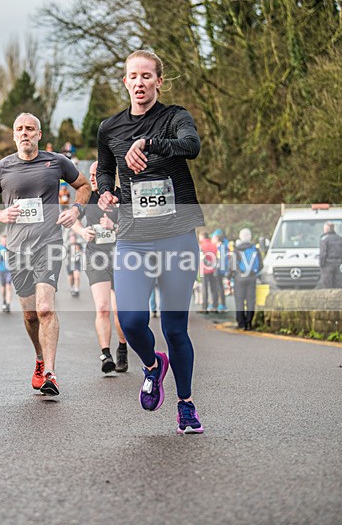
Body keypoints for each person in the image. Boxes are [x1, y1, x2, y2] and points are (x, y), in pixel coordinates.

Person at [96, 49, 205, 434]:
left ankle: (186, 405)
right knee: (130, 319)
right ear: (124, 81)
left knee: (176, 329)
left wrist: (149, 143)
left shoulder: (176, 117)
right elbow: (106, 169)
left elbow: (191, 146)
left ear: (159, 81)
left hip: (177, 238)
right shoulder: (109, 128)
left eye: (147, 75)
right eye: (133, 76)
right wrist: (105, 192)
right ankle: (153, 365)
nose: (139, 82)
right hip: (134, 240)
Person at [0, 113, 91, 396]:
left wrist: (76, 210)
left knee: (45, 309)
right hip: (16, 250)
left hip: (49, 245)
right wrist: (0, 214)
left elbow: (84, 186)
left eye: (30, 129)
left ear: (39, 134)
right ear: (14, 136)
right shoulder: (0, 169)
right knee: (30, 316)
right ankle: (39, 359)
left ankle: (50, 372)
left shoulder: (57, 162)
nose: (24, 133)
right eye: (19, 129)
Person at [69, 161, 129, 373]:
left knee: (118, 310)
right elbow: (73, 220)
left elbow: (136, 227)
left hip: (121, 258)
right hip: (96, 257)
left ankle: (122, 349)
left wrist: (115, 227)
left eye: (97, 174)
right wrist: (82, 232)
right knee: (102, 307)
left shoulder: (122, 196)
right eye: (91, 175)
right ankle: (106, 354)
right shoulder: (87, 198)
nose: (92, 178)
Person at [229, 228, 263, 330]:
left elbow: (232, 266)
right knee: (250, 301)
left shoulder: (237, 250)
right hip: (252, 278)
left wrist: (232, 275)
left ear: (240, 237)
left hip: (239, 279)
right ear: (250, 237)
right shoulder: (255, 249)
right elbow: (261, 264)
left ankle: (241, 323)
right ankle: (249, 323)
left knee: (239, 301)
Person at [319, 221, 342, 288]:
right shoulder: (340, 239)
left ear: (326, 229)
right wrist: (341, 261)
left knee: (327, 285)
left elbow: (323, 253)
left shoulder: (325, 239)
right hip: (337, 264)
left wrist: (321, 264)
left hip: (327, 265)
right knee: (337, 284)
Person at [199, 232, 219, 313]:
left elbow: (201, 258)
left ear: (203, 237)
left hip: (204, 270)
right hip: (213, 270)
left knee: (205, 289)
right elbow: (217, 257)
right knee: (214, 288)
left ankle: (205, 307)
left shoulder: (201, 246)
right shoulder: (214, 245)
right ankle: (215, 306)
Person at [211, 229, 228, 312]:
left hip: (218, 270)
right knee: (219, 287)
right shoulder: (223, 246)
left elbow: (220, 260)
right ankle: (219, 303)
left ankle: (222, 304)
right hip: (220, 269)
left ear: (217, 238)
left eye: (213, 237)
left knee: (219, 287)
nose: (212, 239)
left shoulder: (220, 247)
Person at [0, 235, 13, 312]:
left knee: (8, 285)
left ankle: (8, 305)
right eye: (3, 240)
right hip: (2, 270)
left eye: (6, 240)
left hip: (9, 270)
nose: (4, 242)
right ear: (1, 241)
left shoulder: (11, 248)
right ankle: (4, 300)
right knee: (3, 287)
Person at [65, 231, 84, 297]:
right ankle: (71, 287)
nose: (72, 239)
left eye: (73, 238)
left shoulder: (79, 245)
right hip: (69, 263)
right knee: (70, 277)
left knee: (77, 276)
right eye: (71, 238)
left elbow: (82, 253)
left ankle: (76, 289)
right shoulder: (68, 245)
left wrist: (78, 251)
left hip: (76, 263)